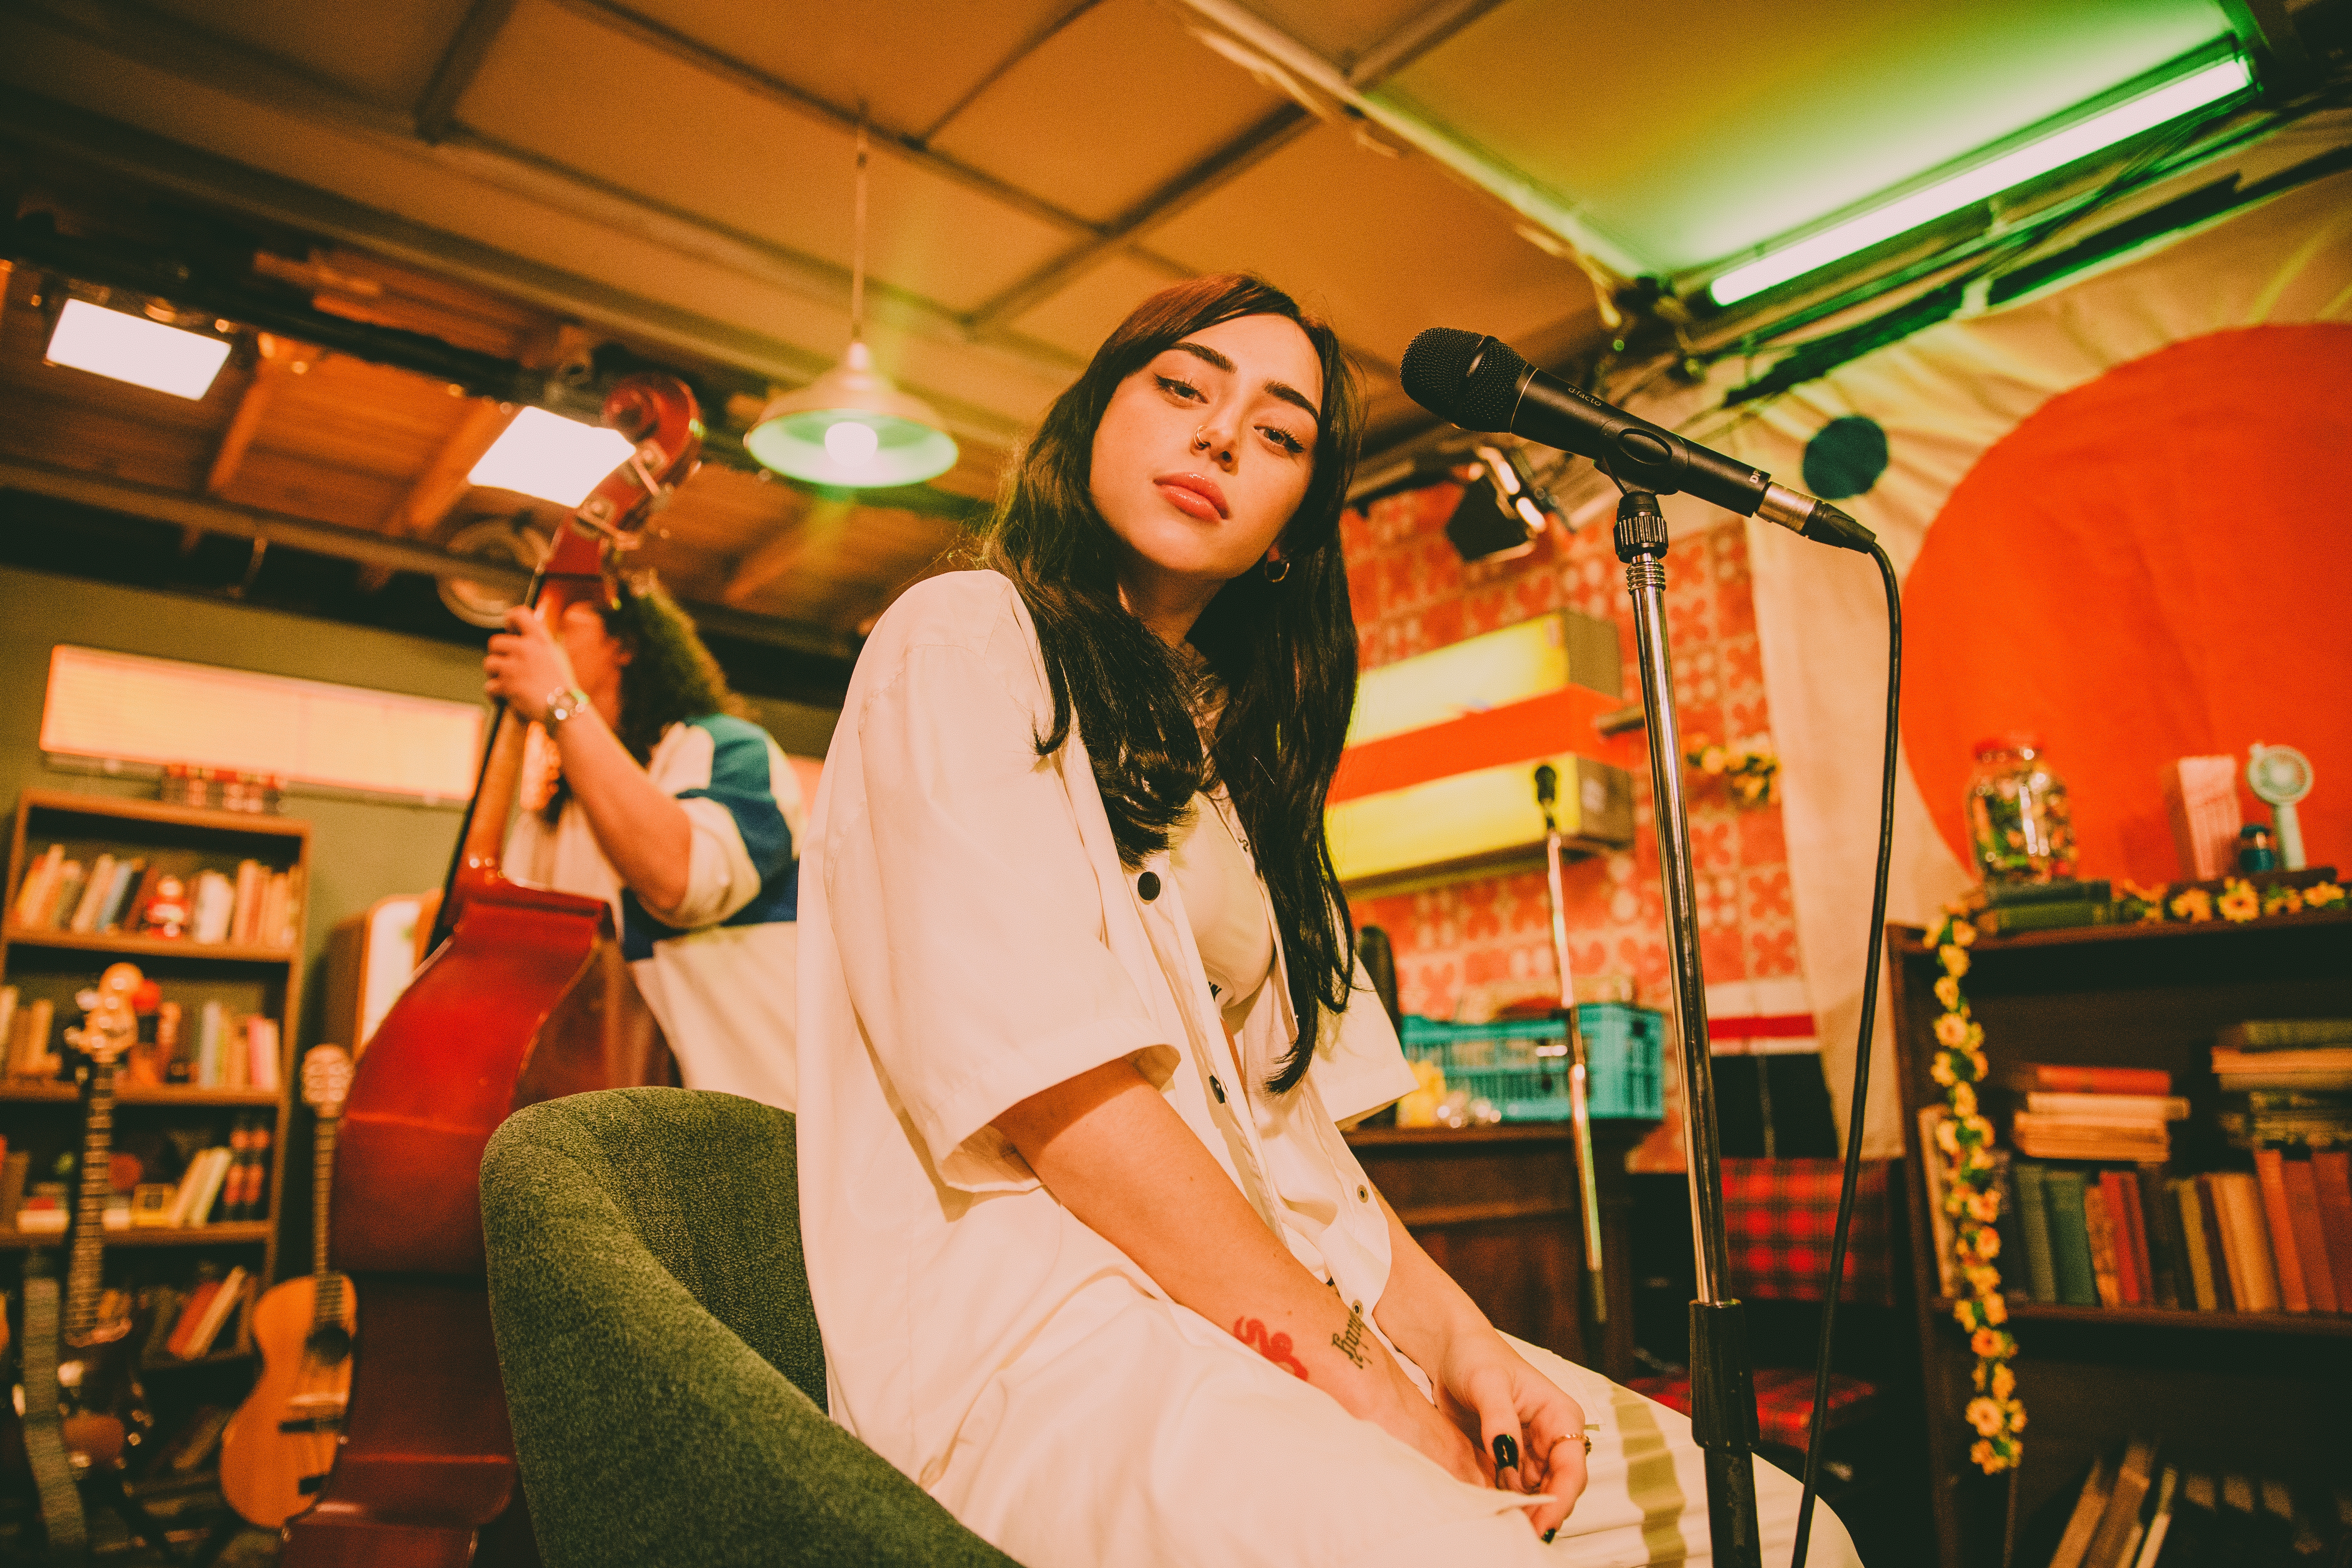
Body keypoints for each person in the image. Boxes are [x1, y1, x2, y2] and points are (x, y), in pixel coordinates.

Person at [795, 275, 1858, 1566]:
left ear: (1295, 526)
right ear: (1086, 431)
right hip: (1051, 1335)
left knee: (1790, 1528)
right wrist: (1380, 1396)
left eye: (1282, 431)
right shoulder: (961, 639)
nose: (1223, 435)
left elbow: (1300, 1157)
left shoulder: (1230, 777)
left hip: (1263, 1324)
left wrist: (1463, 1344)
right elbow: (1067, 1108)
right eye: (1183, 387)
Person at [481, 574, 802, 1109]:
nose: (538, 643)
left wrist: (560, 702)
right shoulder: (551, 821)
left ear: (625, 646)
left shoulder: (728, 749)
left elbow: (679, 880)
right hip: (608, 1127)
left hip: (755, 1120)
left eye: (561, 626)